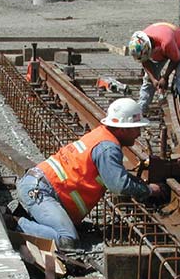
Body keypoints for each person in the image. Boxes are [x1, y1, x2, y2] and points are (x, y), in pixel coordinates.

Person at [14, 98, 165, 248]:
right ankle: (16, 223)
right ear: (122, 129)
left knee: (68, 232)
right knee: (68, 240)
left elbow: (116, 176)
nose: (138, 133)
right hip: (41, 191)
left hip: (42, 187)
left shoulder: (102, 135)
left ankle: (30, 220)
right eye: (136, 128)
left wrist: (139, 184)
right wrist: (149, 190)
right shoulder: (108, 148)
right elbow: (118, 185)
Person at [128, 23, 180, 115]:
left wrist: (165, 77)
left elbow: (176, 59)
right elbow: (145, 61)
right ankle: (142, 107)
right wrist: (154, 79)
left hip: (177, 43)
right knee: (148, 79)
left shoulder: (167, 42)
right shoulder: (141, 41)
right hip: (161, 47)